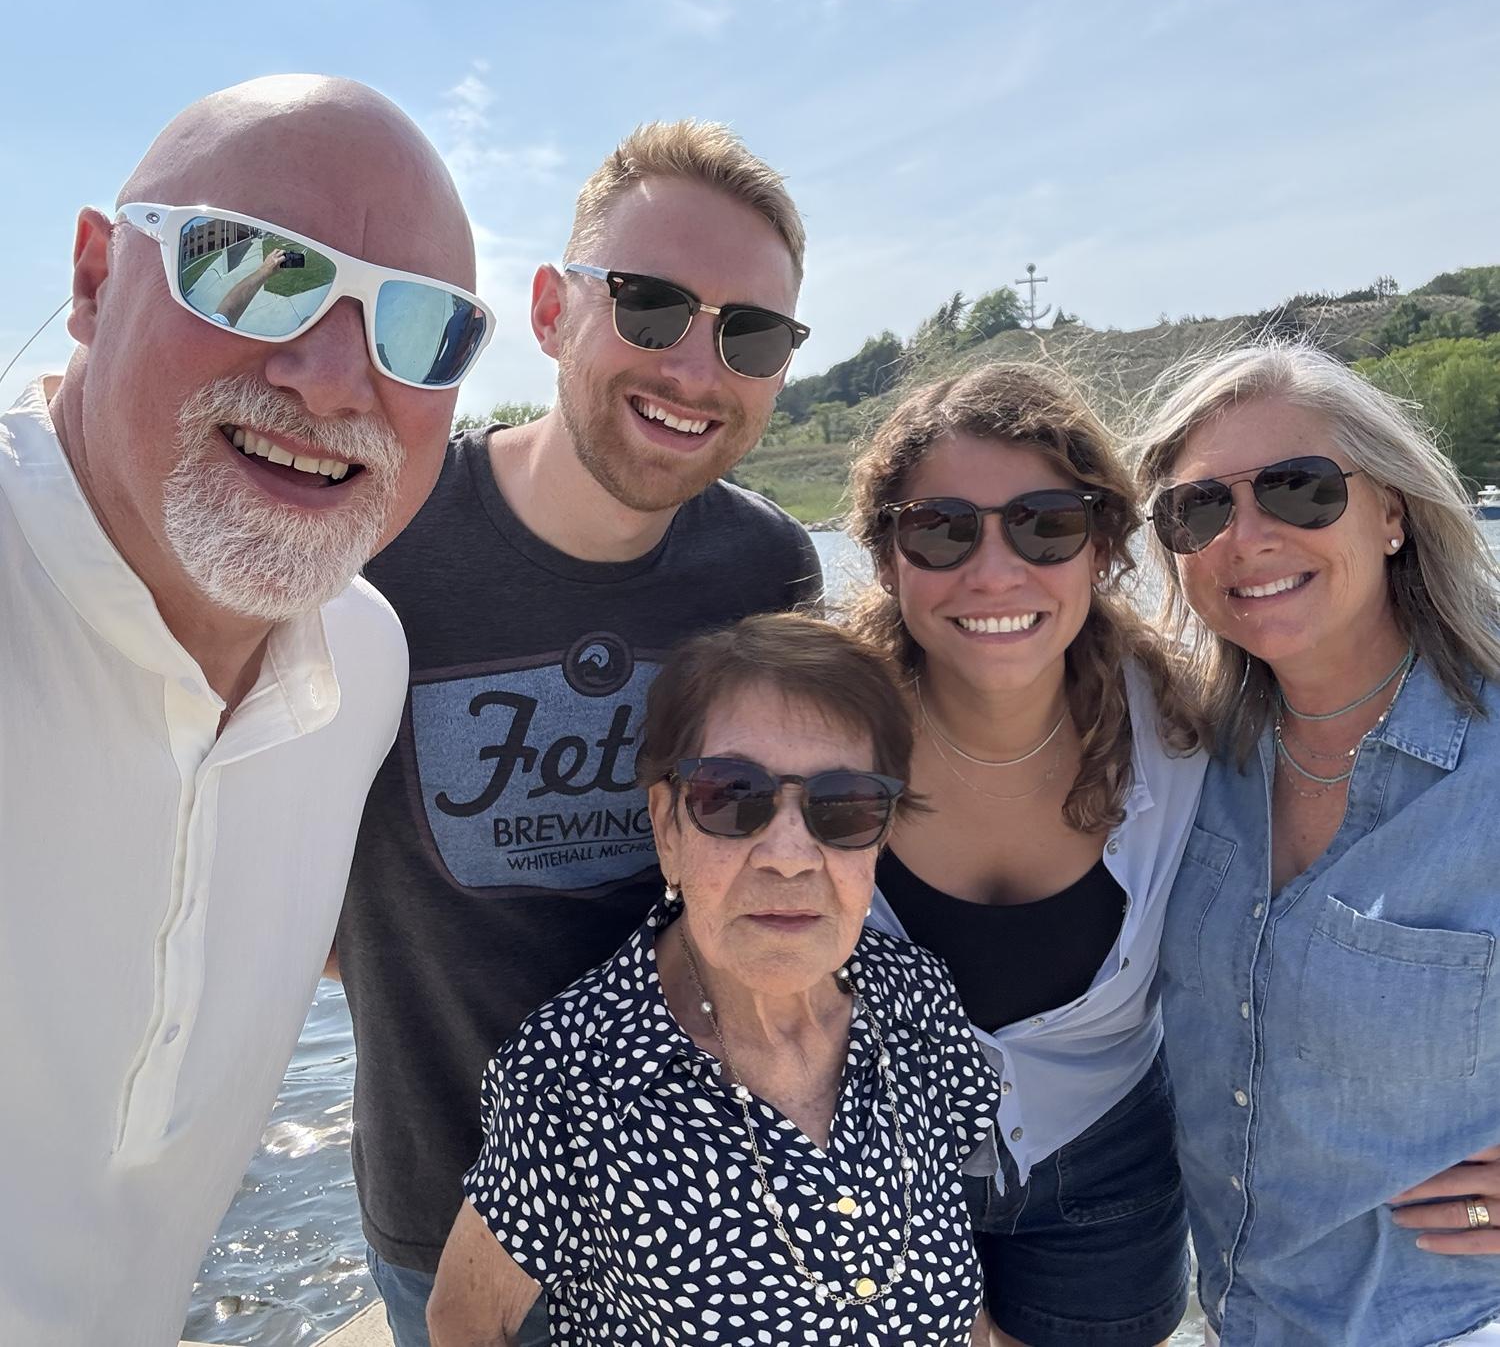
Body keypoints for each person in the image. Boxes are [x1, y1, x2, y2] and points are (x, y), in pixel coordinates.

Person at [0, 76, 493, 1347]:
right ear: (97, 280)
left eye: (419, 329)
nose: (335, 381)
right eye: (254, 270)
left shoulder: (364, 665)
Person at [333, 121, 822, 1345]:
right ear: (552, 311)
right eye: (651, 307)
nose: (697, 369)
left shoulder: (767, 568)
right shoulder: (384, 536)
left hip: (699, 1210)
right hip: (439, 1207)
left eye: (751, 334)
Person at [426, 613, 1004, 1346]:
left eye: (844, 805)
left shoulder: (920, 1002)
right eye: (732, 796)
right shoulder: (571, 1077)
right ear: (666, 825)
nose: (790, 856)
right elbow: (465, 1317)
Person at [1137, 340, 1500, 1346]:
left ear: (1393, 511)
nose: (1246, 536)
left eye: (1298, 489)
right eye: (1200, 508)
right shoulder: (1179, 760)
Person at [846, 360, 1208, 1347]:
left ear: (1101, 548)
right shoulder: (817, 734)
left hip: (1111, 1182)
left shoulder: (1190, 734)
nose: (994, 571)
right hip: (873, 1182)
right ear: (888, 557)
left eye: (1045, 523)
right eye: (942, 528)